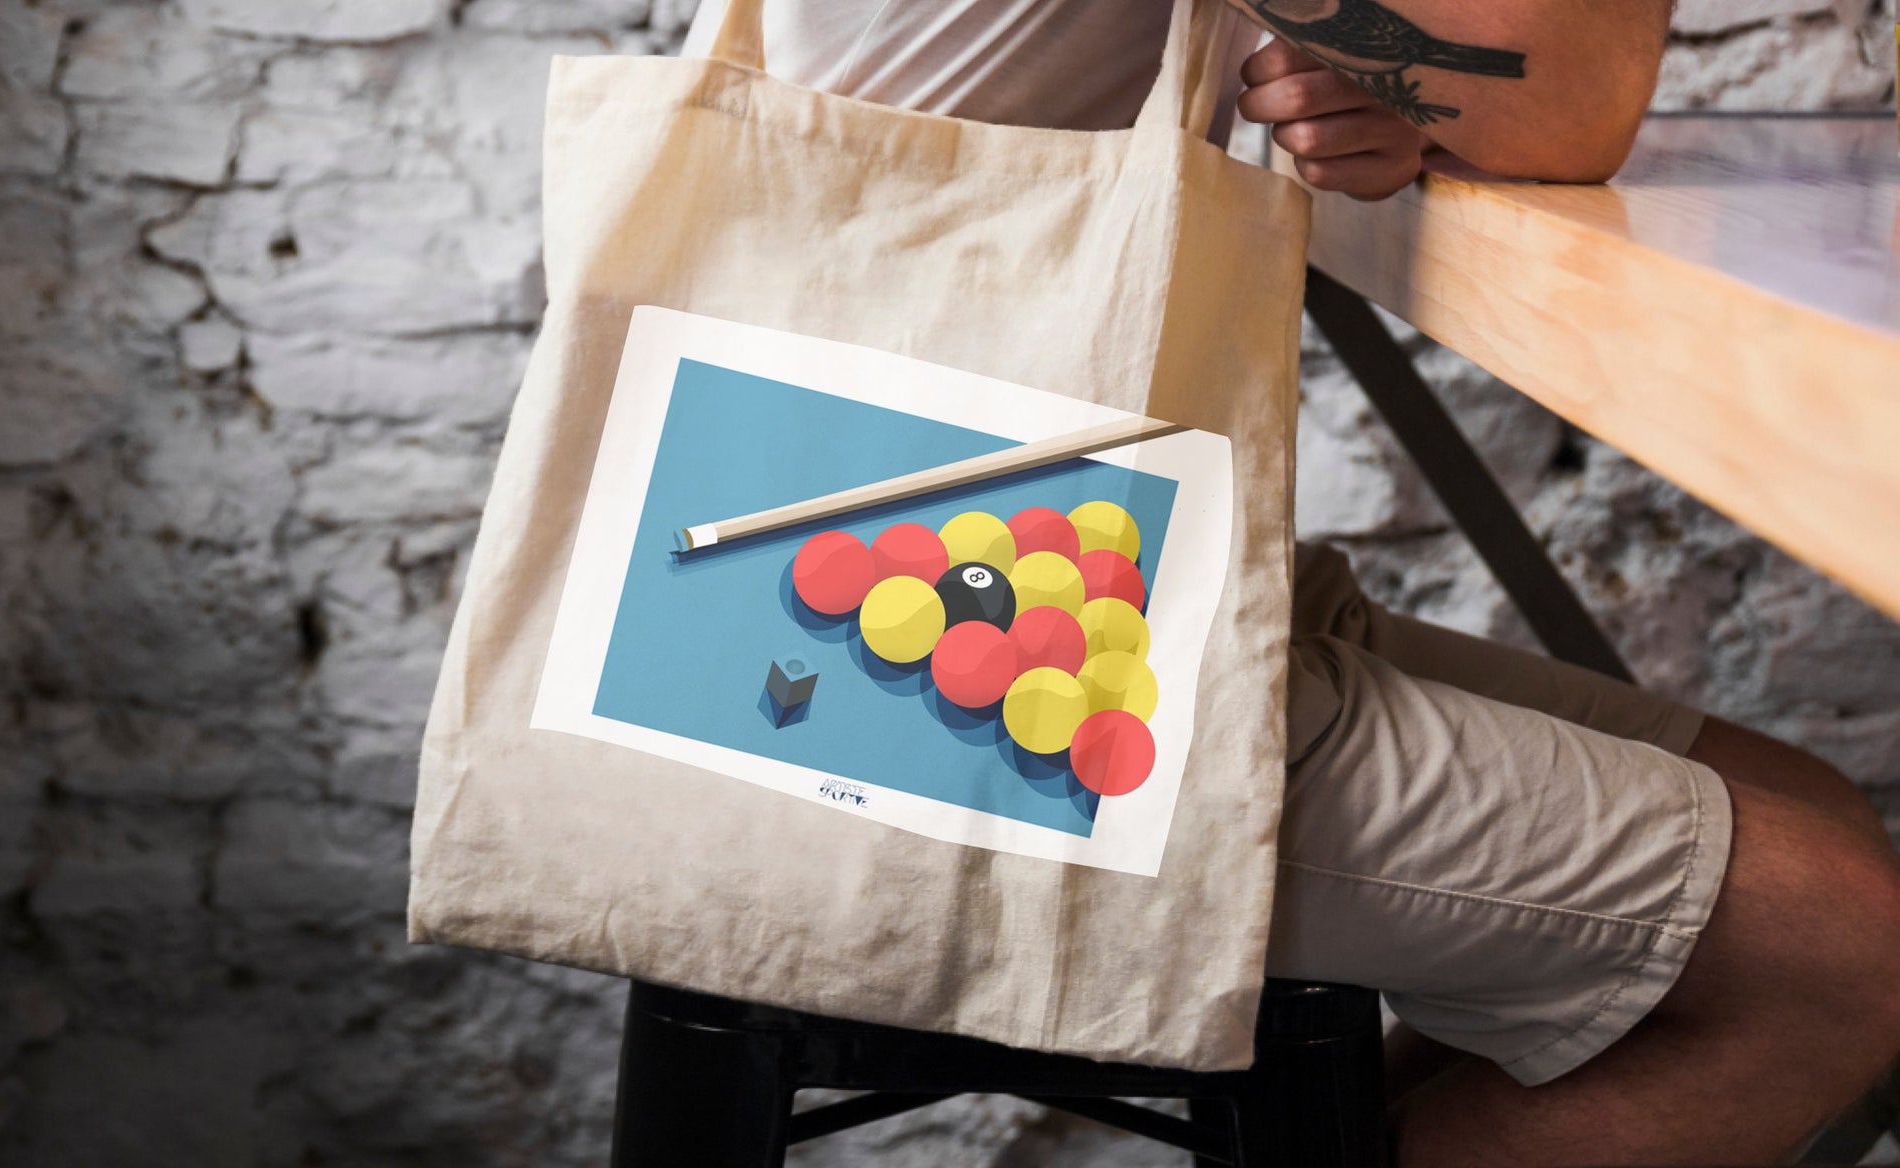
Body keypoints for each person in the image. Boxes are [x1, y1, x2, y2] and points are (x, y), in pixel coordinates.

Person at [680, 4, 1900, 1164]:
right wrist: (1459, 73)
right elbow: (1566, 96)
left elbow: (1515, 81)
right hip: (886, 658)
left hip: (1032, 564)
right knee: (1837, 944)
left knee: (1807, 819)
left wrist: (1395, 85)